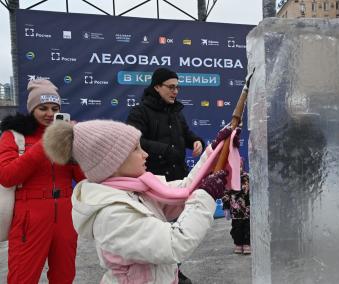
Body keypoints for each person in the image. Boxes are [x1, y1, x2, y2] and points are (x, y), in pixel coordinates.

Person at [42, 119, 239, 284]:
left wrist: (213, 152)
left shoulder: (135, 190)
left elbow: (184, 190)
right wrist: (205, 196)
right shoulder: (112, 213)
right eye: (136, 149)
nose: (145, 154)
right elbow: (173, 244)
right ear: (113, 162)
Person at [0, 79, 85, 284]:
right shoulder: (14, 136)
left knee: (64, 276)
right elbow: (7, 176)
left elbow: (83, 178)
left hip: (66, 213)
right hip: (30, 216)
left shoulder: (68, 136)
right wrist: (45, 145)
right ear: (32, 109)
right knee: (23, 276)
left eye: (54, 108)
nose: (49, 113)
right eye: (43, 108)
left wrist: (77, 151)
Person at [126, 67, 204, 182]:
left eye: (177, 87)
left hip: (179, 179)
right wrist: (164, 150)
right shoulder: (140, 111)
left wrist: (196, 141)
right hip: (153, 181)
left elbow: (186, 134)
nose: (176, 91)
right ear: (157, 87)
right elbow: (134, 141)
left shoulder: (176, 112)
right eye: (171, 87)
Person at [222, 159, 251, 255]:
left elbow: (253, 191)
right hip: (235, 211)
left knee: (247, 227)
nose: (238, 169)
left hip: (247, 210)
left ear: (242, 166)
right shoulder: (229, 179)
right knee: (236, 228)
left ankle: (247, 244)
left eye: (240, 166)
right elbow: (226, 195)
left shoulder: (247, 177)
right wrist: (226, 208)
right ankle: (238, 244)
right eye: (235, 167)